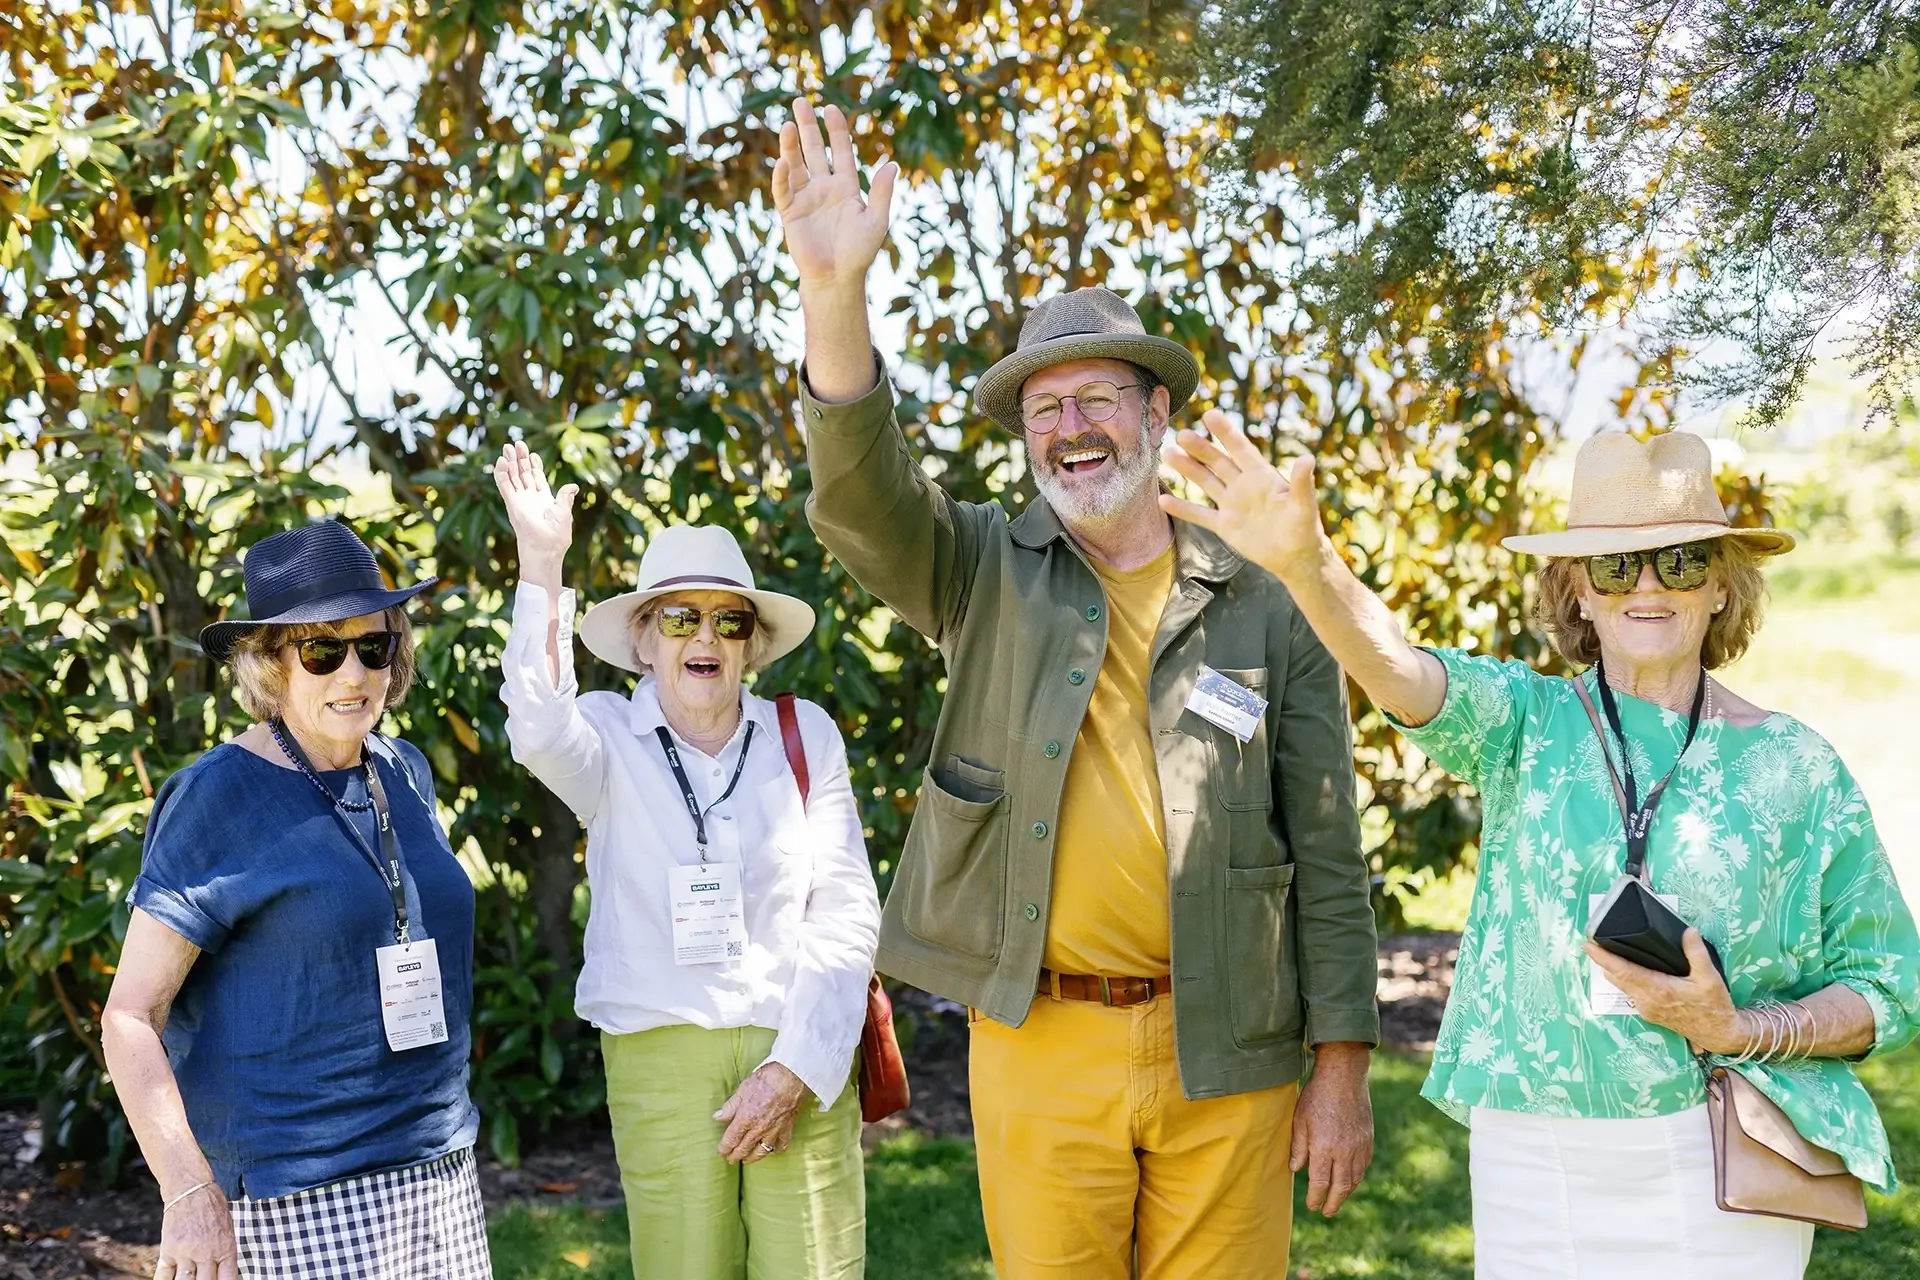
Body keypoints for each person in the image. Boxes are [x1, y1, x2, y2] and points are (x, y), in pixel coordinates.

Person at [773, 99, 1379, 1278]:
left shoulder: (1263, 595)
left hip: (1232, 1044)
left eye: (1098, 397)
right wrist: (833, 289)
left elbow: (1330, 845)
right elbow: (860, 492)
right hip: (1041, 1034)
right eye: (1044, 409)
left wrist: (1344, 1065)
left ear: (1157, 415)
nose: (1070, 427)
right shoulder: (984, 566)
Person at [1161, 420, 1920, 1279]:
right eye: (1613, 564)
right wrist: (1308, 565)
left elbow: (1888, 985)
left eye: (1680, 560)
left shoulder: (1798, 766)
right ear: (1580, 595)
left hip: (1719, 1145)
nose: (1647, 584)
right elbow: (1398, 668)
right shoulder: (1524, 722)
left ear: (1720, 588)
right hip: (1536, 1151)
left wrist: (1741, 1026)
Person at [492, 442, 879, 1279]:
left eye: (728, 620)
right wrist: (542, 563)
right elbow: (533, 727)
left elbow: (845, 907)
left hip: (797, 1050)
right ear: (642, 638)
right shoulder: (601, 733)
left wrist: (797, 1067)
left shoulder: (802, 732)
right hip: (661, 1056)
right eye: (678, 617)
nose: (704, 636)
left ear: (752, 644)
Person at [100, 520, 487, 1280]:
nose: (354, 675)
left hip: (436, 1172)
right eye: (322, 651)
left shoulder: (403, 771)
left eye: (373, 647)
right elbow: (129, 1015)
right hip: (292, 1196)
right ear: (270, 665)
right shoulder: (218, 793)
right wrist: (188, 1192)